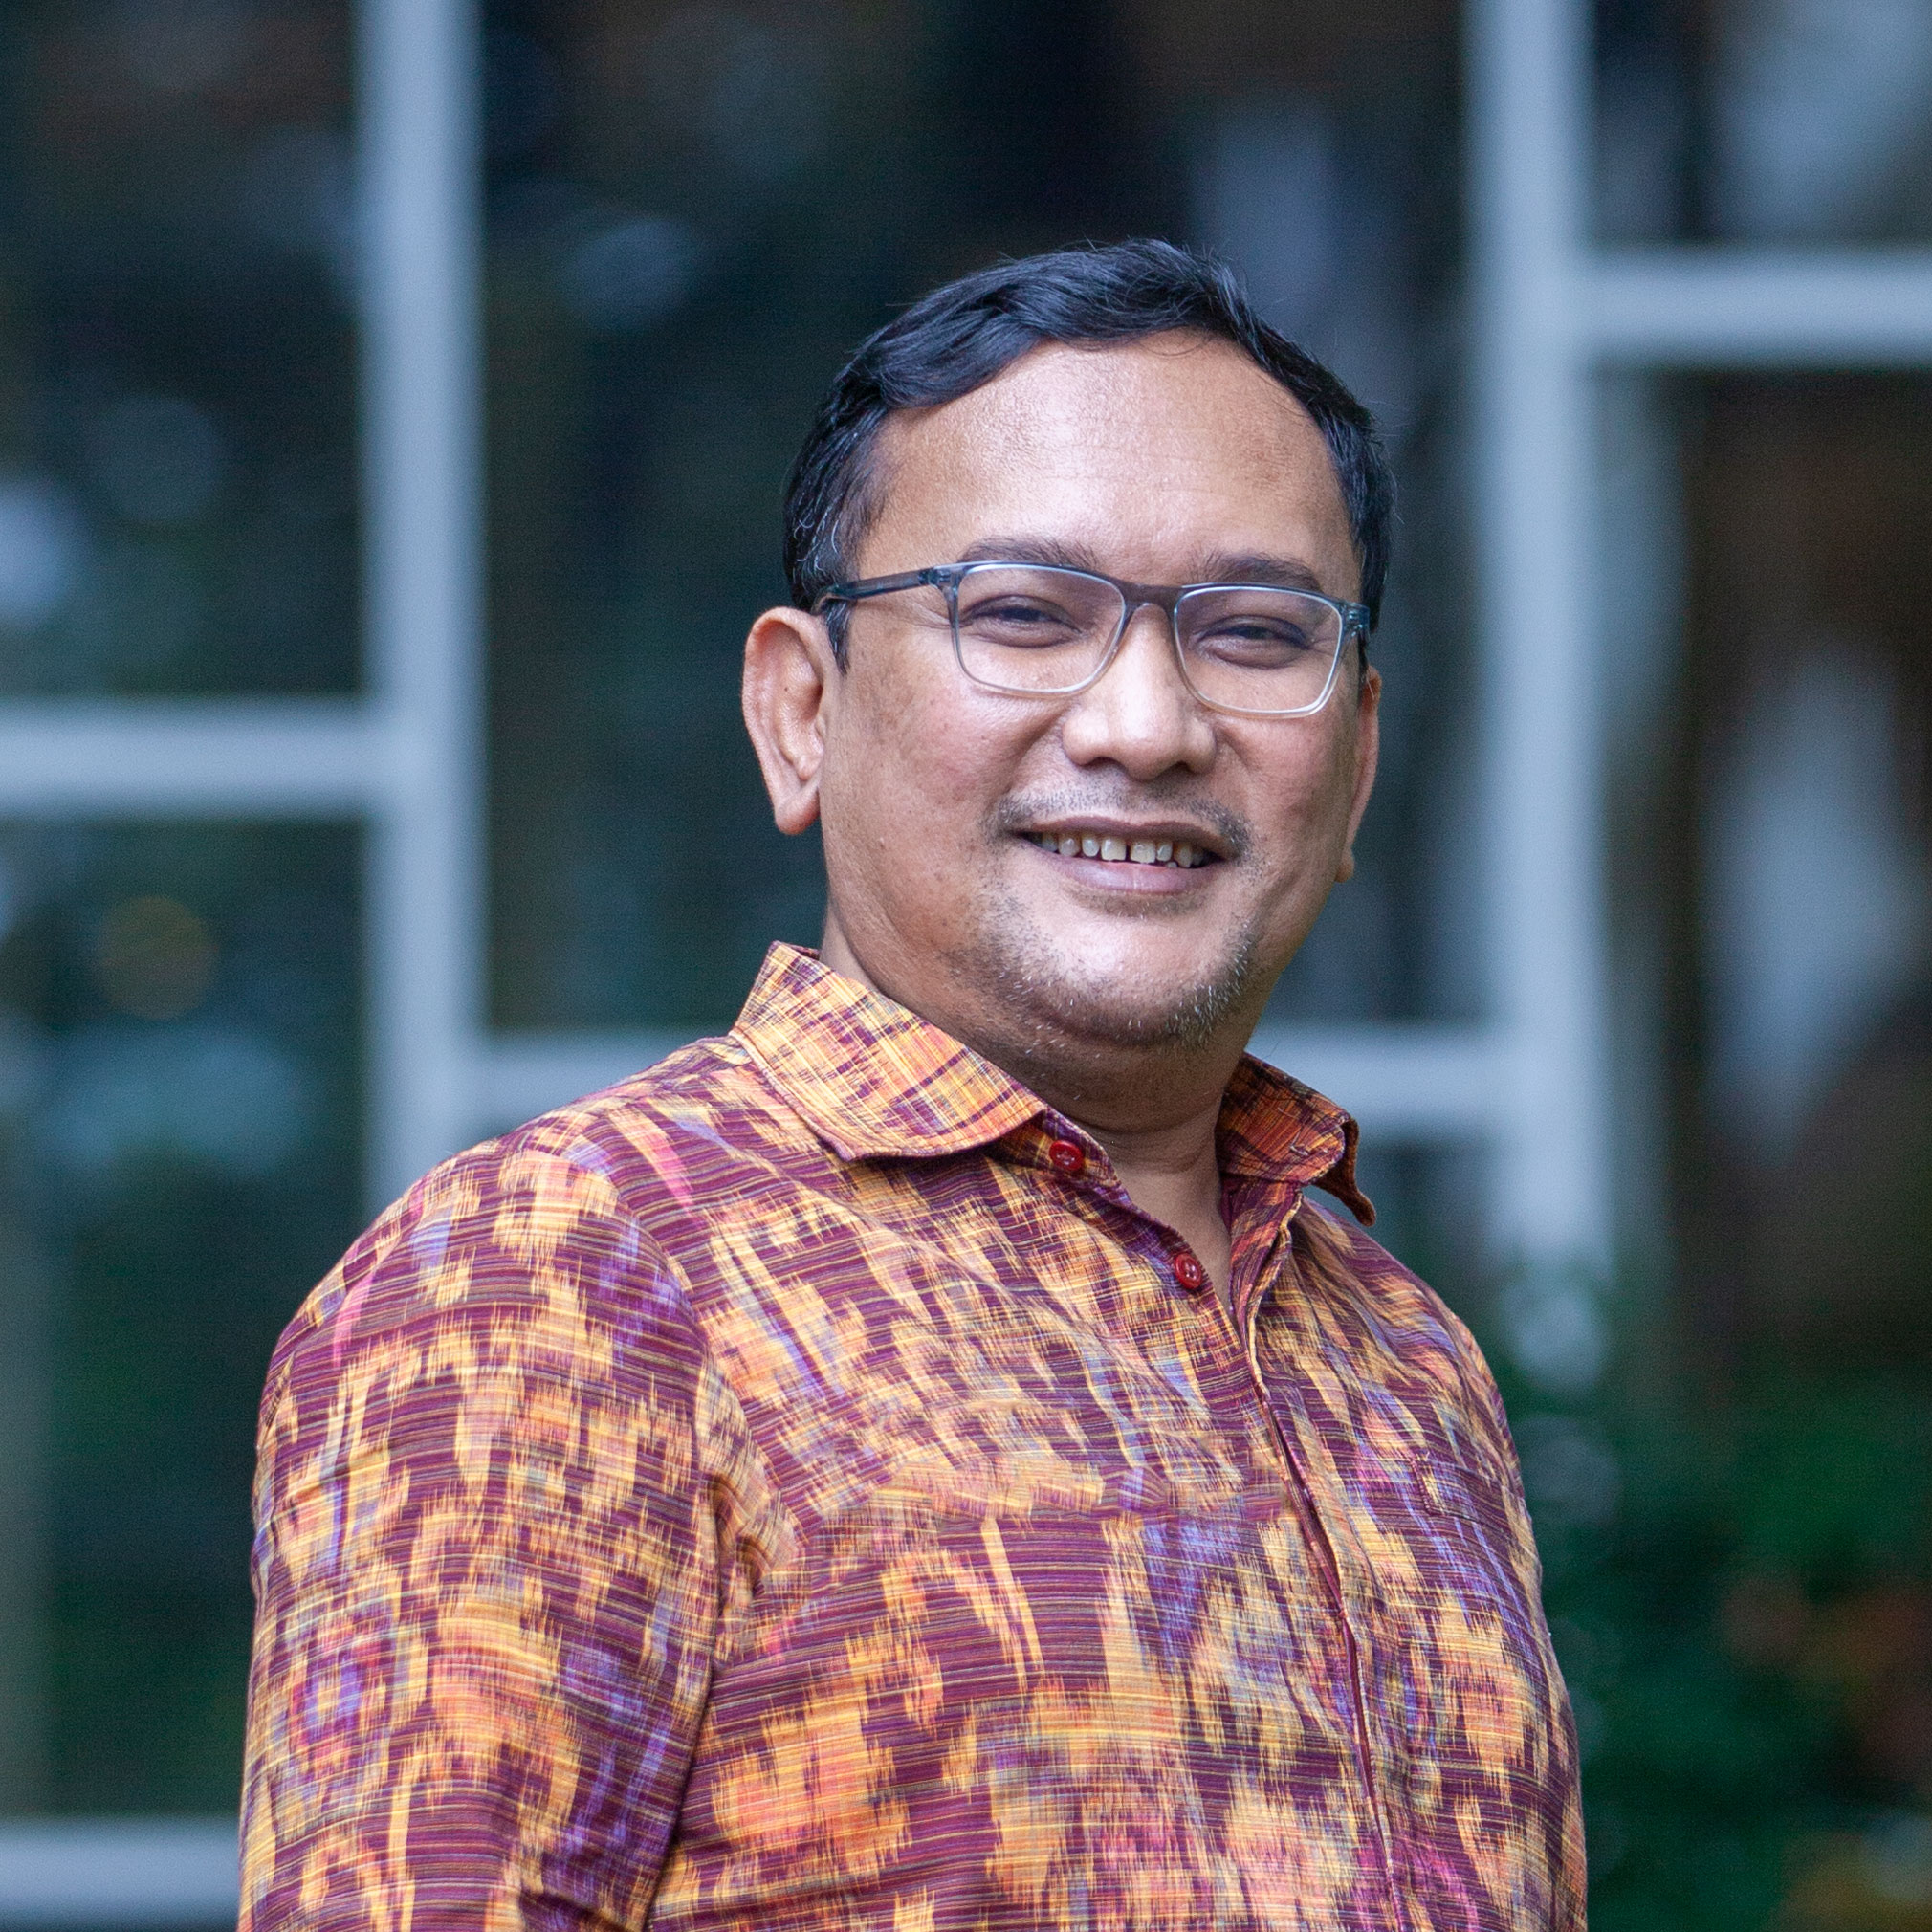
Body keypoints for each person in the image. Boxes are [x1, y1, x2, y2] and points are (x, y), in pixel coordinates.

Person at [240, 240, 1583, 1930]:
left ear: (1360, 755)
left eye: (1253, 633)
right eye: (1022, 614)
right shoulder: (570, 1280)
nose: (1148, 724)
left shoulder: (1404, 1358)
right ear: (801, 712)